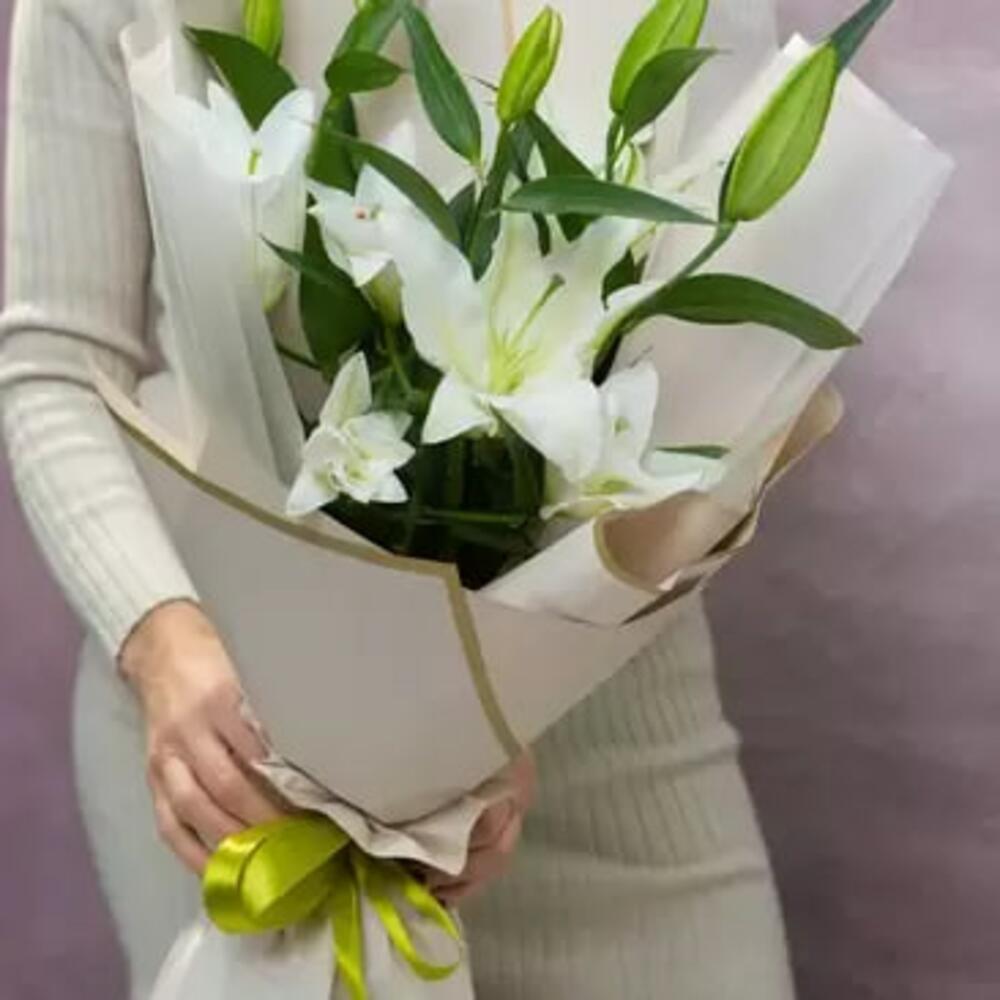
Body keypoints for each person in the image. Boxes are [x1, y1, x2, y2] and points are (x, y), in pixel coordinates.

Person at [0, 1, 796, 997]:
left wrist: (507, 686)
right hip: (243, 753)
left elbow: (720, 368)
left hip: (600, 741)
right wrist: (161, 641)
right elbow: (53, 361)